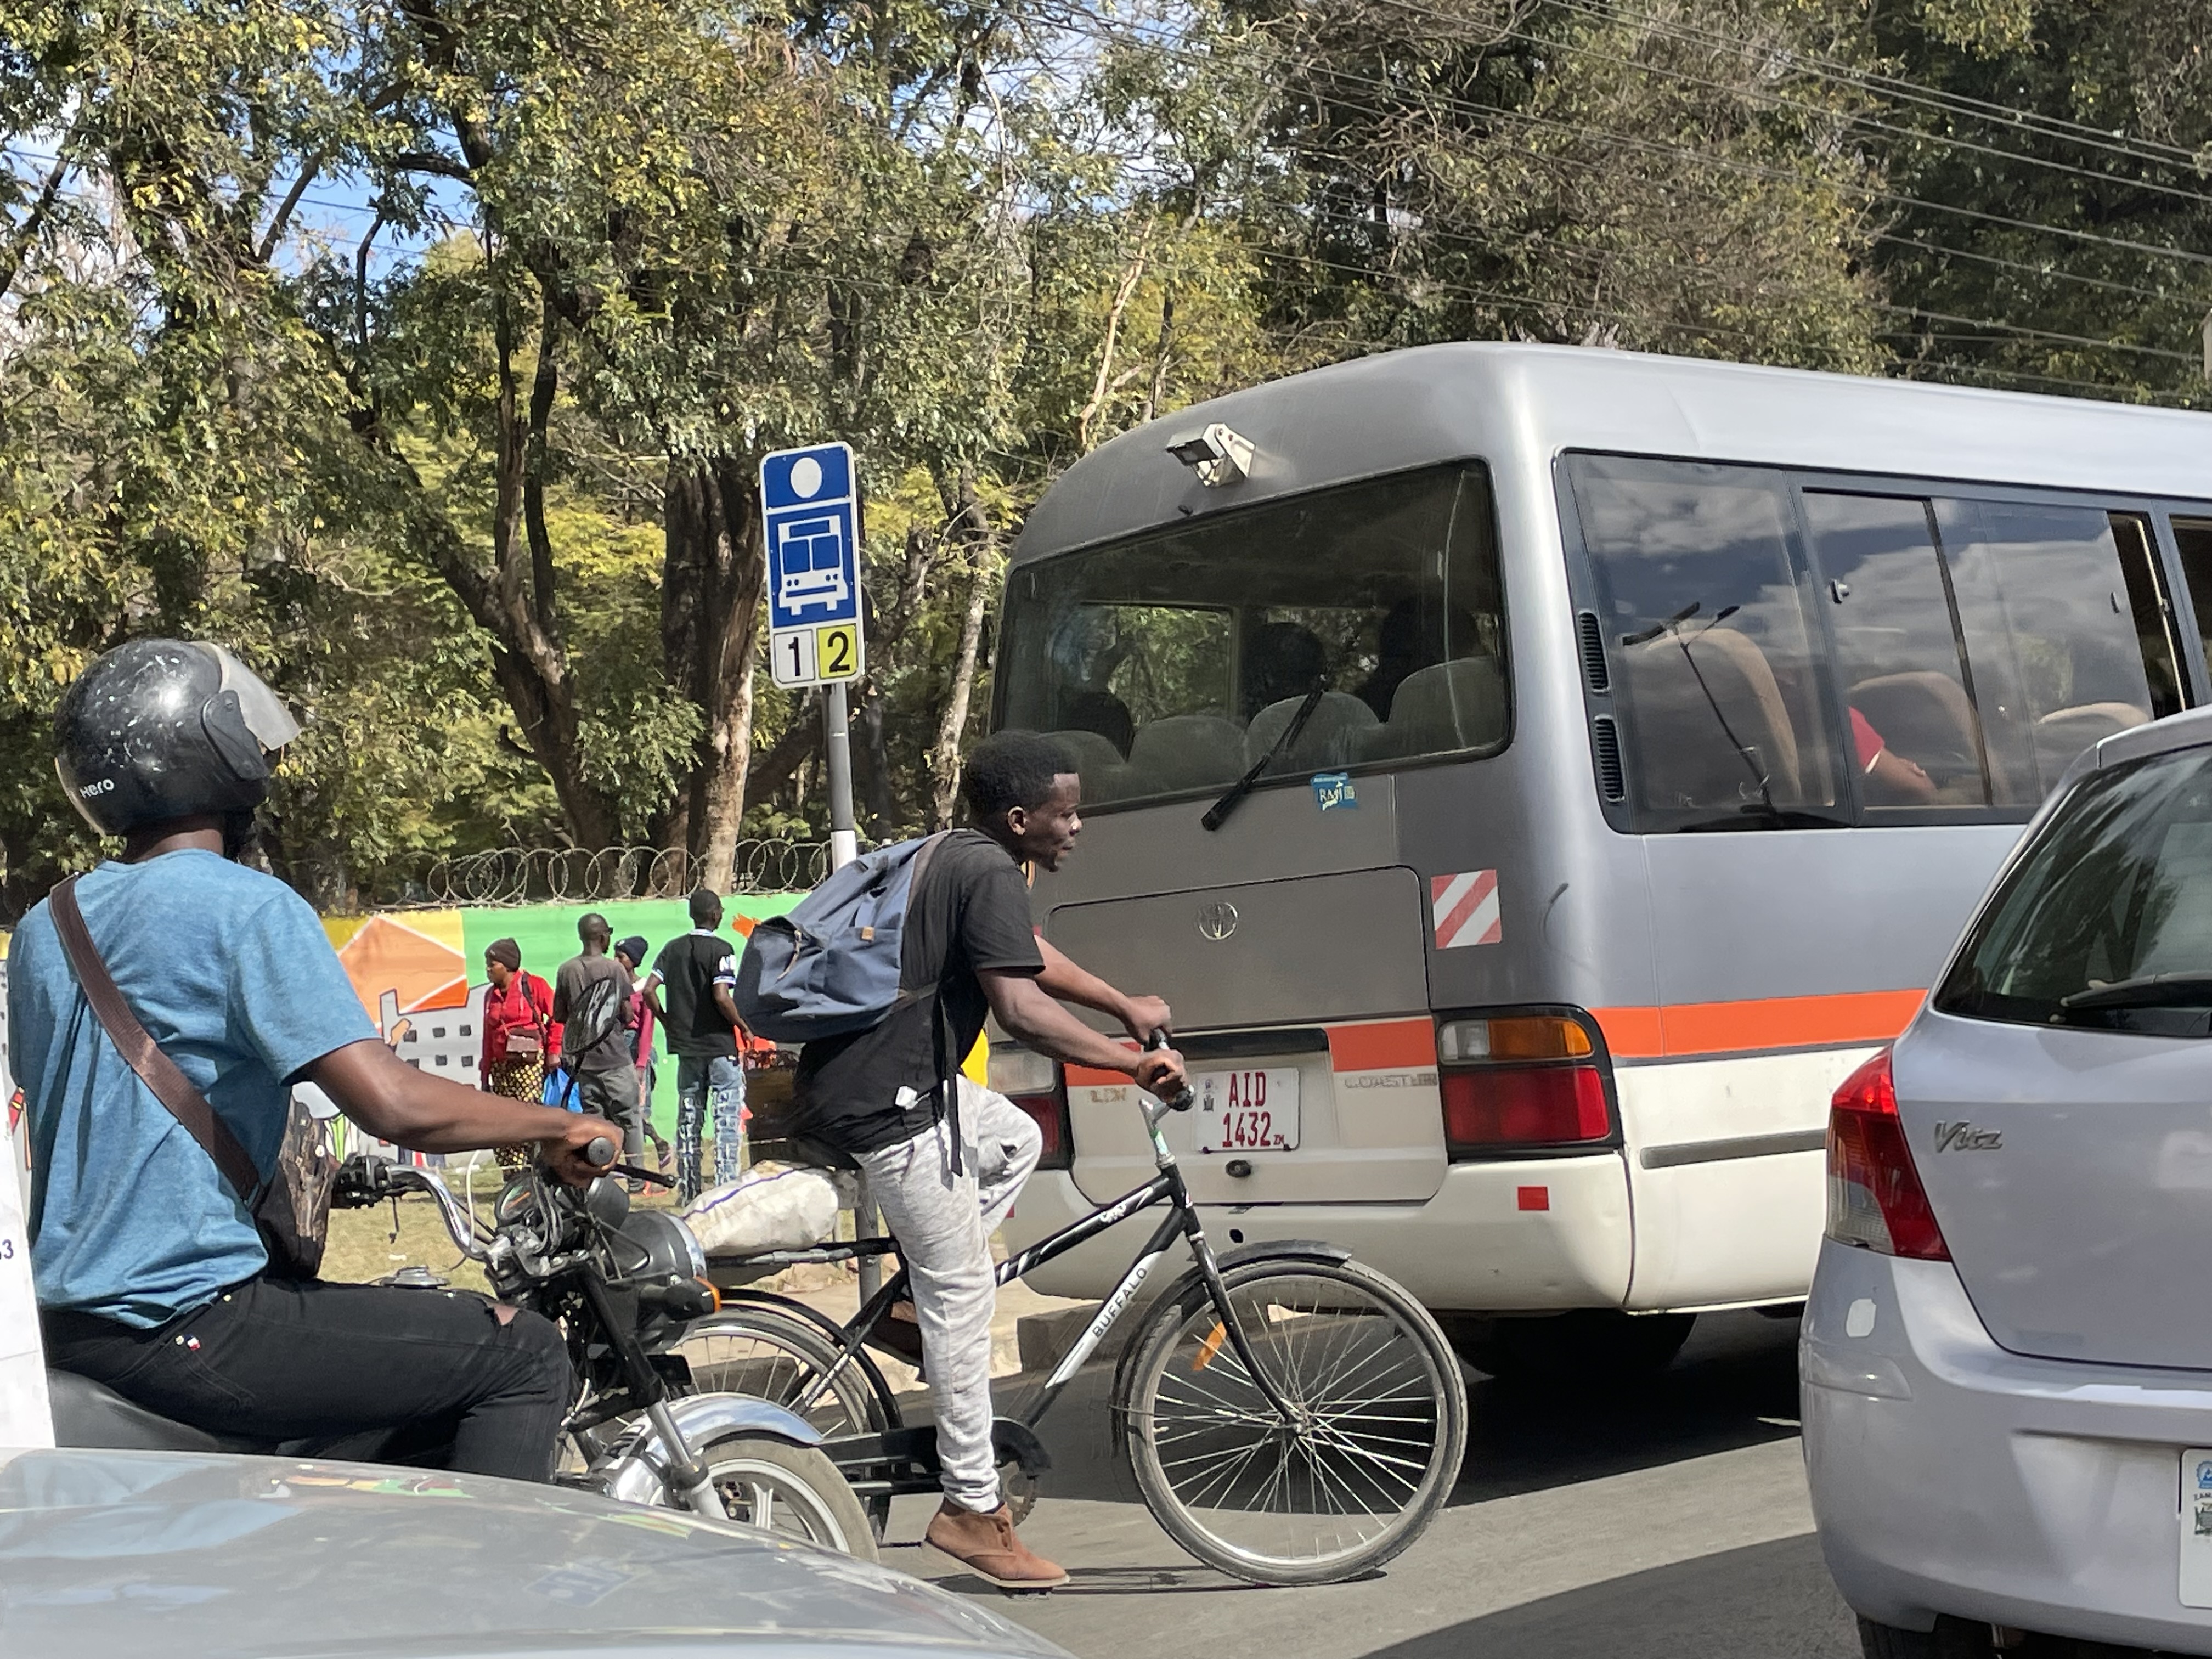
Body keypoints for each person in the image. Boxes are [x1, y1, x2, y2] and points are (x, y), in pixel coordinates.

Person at [19, 639, 610, 1482]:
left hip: (71, 1321)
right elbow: (392, 1103)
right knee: (523, 1356)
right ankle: (492, 1606)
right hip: (189, 1312)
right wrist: (561, 1123)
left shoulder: (47, 926)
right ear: (213, 753)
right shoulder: (246, 906)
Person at [788, 729, 1186, 1591]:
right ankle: (972, 1509)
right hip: (889, 1104)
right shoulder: (986, 868)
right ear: (1019, 817)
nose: (1077, 827)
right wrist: (1130, 1060)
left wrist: (1123, 1002)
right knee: (965, 1296)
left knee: (1017, 1137)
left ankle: (907, 1308)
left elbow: (1027, 955)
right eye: (1064, 813)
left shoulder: (959, 856)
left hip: (897, 1083)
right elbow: (1021, 1010)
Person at [642, 890, 747, 1201]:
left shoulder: (672, 950)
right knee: (726, 1117)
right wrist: (743, 1026)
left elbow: (649, 990)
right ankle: (727, 1188)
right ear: (714, 914)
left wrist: (666, 1020)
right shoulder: (722, 949)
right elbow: (721, 996)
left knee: (689, 1117)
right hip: (719, 1045)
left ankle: (689, 1190)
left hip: (686, 1047)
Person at [552, 913, 643, 1165]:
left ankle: (603, 1175)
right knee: (630, 1119)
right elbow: (627, 1013)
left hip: (584, 1064)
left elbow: (560, 1015)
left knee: (596, 1123)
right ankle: (638, 1179)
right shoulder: (615, 969)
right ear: (603, 937)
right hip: (615, 1059)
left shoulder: (566, 970)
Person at [479, 938, 560, 1171]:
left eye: (492, 964)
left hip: (529, 1067)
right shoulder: (490, 996)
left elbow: (558, 1018)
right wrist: (486, 1073)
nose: (487, 969)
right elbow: (488, 1034)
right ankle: (512, 1174)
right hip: (501, 1069)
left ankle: (534, 1170)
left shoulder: (534, 986)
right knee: (502, 1122)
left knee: (528, 1119)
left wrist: (554, 1051)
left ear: (506, 965)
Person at [615, 935, 673, 1175]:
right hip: (617, 1049)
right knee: (620, 1108)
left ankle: (656, 1150)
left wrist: (641, 1063)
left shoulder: (643, 989)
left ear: (633, 961)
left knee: (637, 1110)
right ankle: (657, 1147)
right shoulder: (614, 985)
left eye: (622, 957)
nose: (616, 960)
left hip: (638, 1049)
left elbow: (647, 1028)